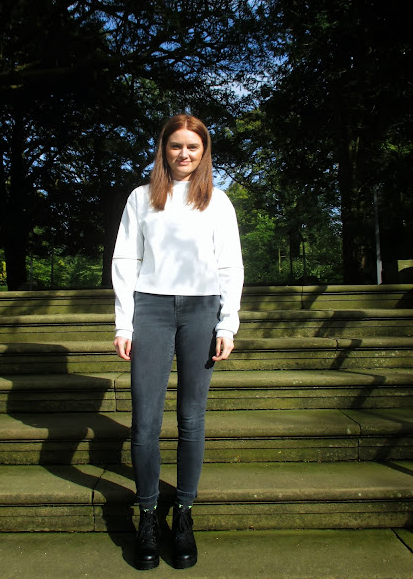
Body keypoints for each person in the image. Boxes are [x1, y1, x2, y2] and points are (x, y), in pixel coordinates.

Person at [112, 114, 243, 570]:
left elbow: (230, 265)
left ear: (203, 152)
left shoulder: (217, 201)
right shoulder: (141, 197)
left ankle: (183, 512)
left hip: (202, 310)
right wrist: (124, 323)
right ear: (163, 149)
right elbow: (126, 259)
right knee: (145, 421)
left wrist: (227, 324)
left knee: (191, 416)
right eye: (176, 145)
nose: (184, 154)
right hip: (150, 308)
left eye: (192, 146)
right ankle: (148, 515)